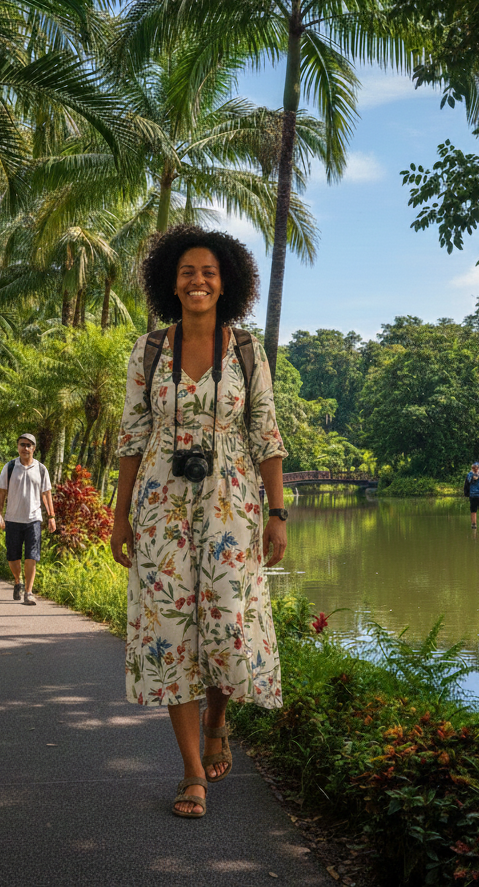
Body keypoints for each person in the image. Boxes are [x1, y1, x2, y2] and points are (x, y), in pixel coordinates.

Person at [110, 225, 288, 820]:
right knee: (169, 631)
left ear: (226, 281)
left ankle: (217, 721)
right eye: (187, 272)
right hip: (162, 505)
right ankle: (191, 772)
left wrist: (279, 512)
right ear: (171, 281)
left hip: (231, 503)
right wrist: (120, 517)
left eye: (208, 272)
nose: (198, 281)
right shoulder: (148, 350)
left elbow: (264, 431)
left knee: (226, 621)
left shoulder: (246, 351)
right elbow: (133, 435)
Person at [0, 433, 56, 605]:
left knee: (32, 555)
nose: (25, 448)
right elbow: (1, 492)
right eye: (22, 444)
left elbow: (46, 494)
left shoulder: (41, 469)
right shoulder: (9, 467)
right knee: (12, 556)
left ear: (34, 448)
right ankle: (18, 581)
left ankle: (29, 592)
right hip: (13, 518)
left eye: (29, 445)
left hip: (33, 519)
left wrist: (51, 516)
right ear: (18, 447)